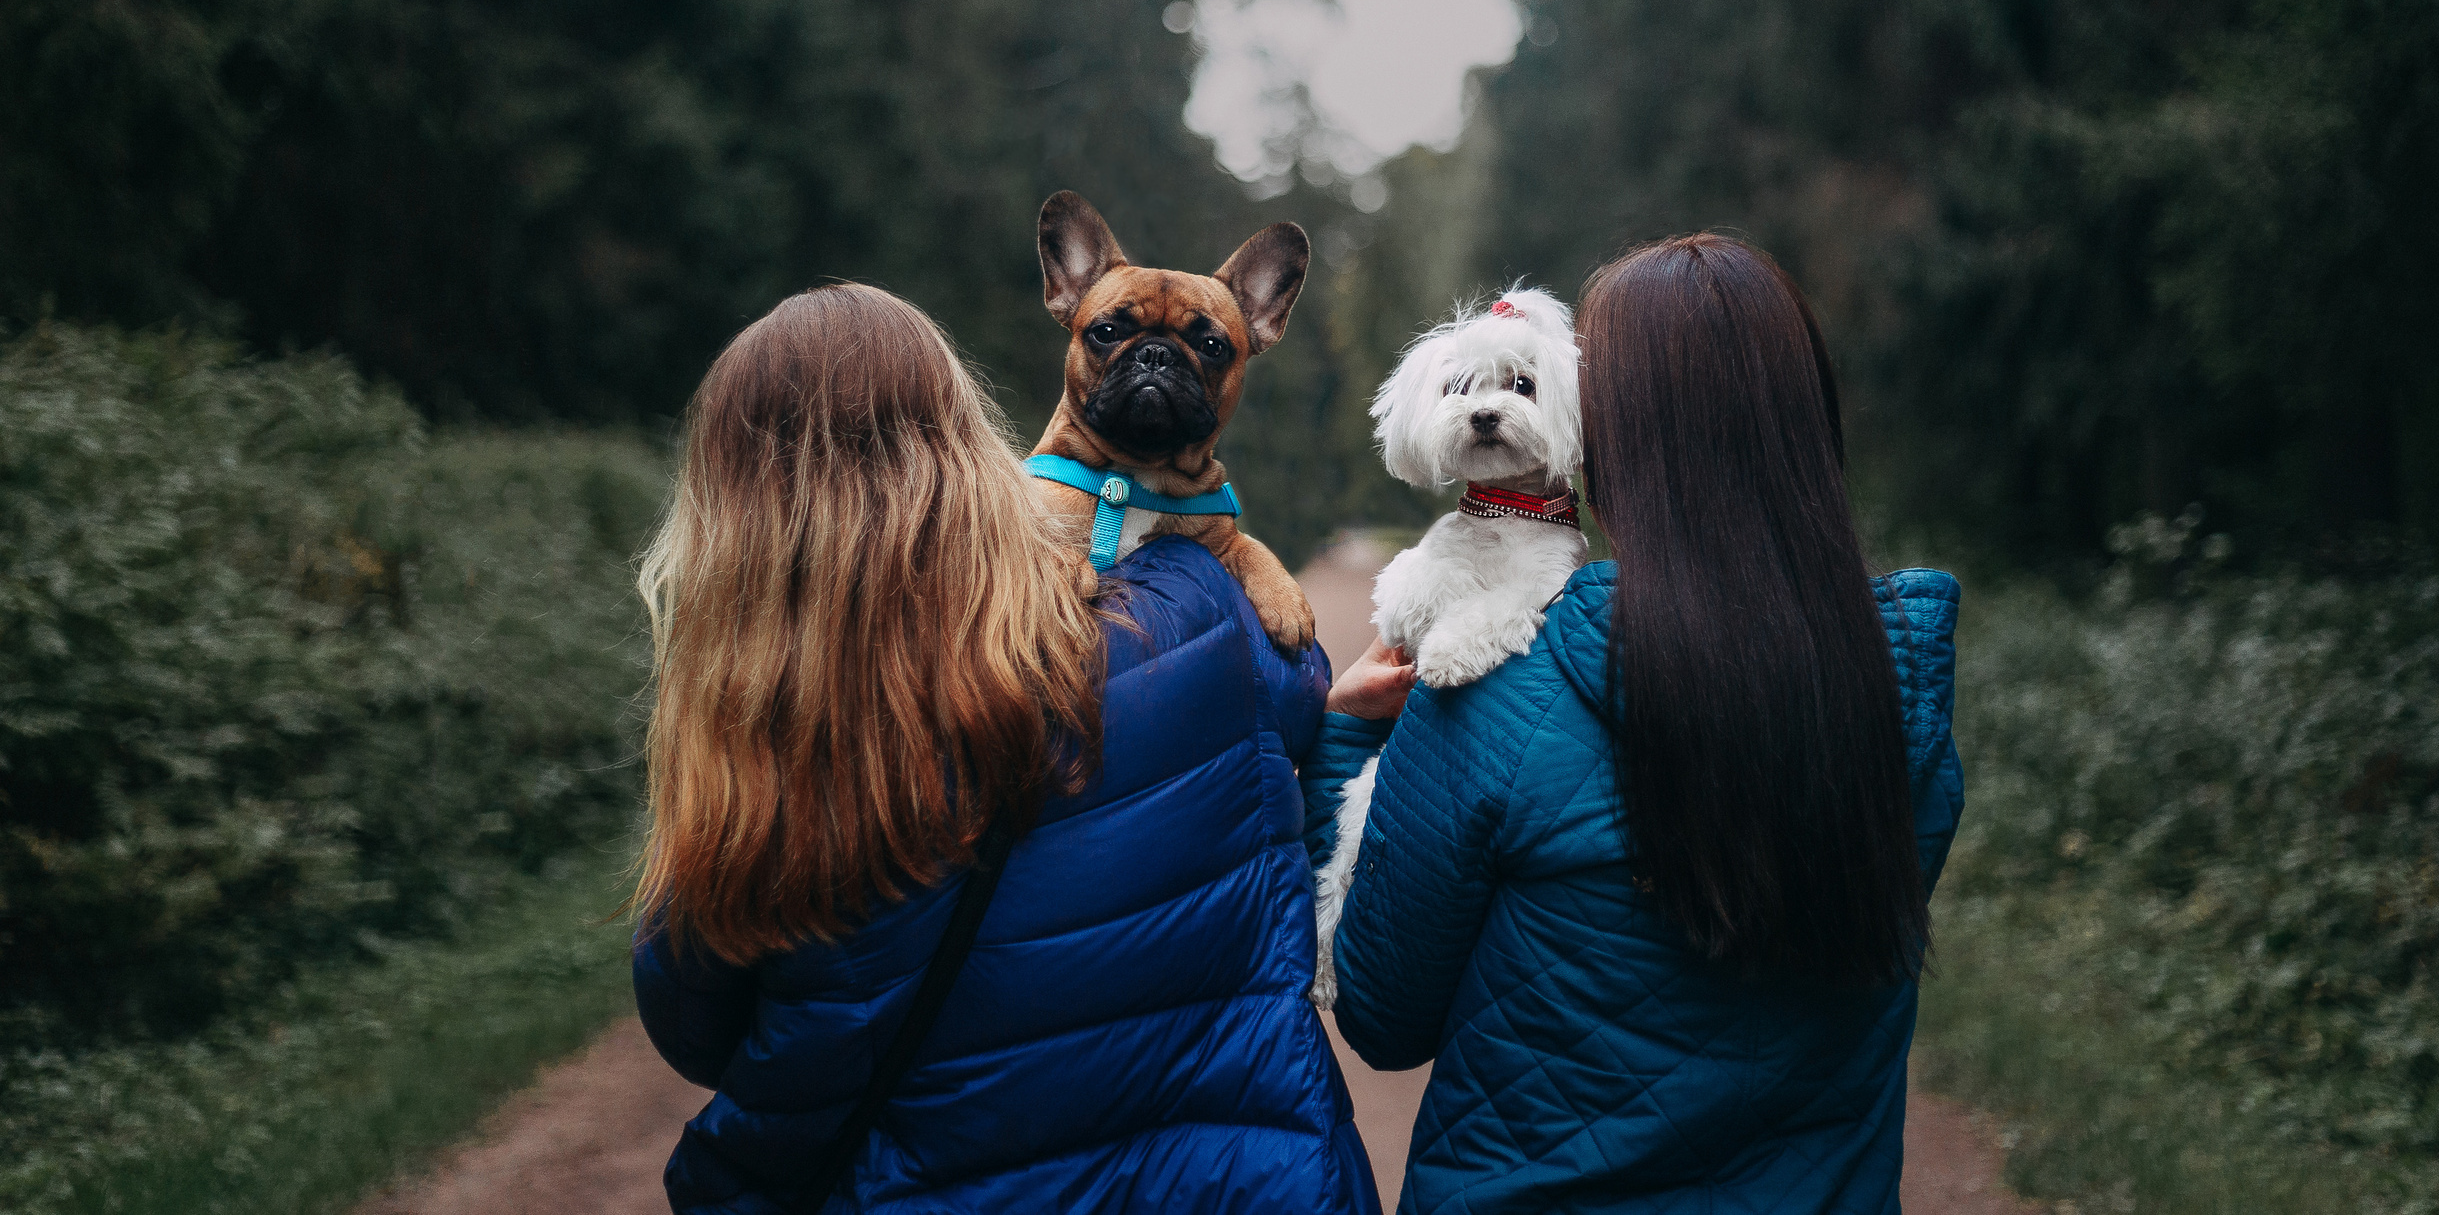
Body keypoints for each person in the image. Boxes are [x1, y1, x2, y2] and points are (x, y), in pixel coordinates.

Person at [629, 283, 1381, 1214]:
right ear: (962, 436)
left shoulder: (750, 745)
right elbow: (1297, 697)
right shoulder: (1197, 600)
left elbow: (693, 1023)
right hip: (1228, 1178)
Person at [1309, 235, 1965, 1213]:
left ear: (1610, 437)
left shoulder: (1498, 697)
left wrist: (1348, 740)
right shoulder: (1894, 701)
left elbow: (1379, 1012)